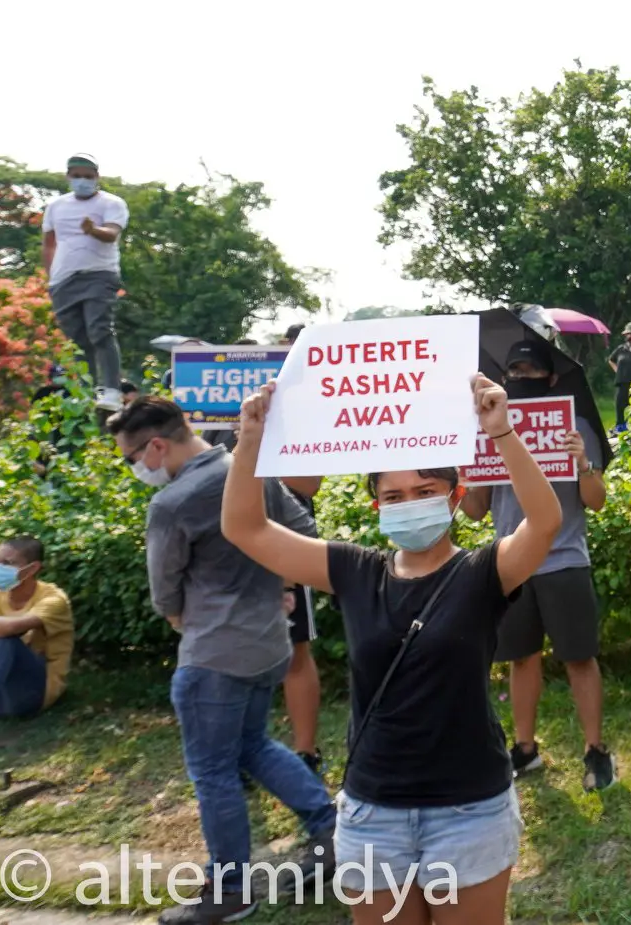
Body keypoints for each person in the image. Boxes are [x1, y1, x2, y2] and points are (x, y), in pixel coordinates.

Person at [221, 374, 561, 924]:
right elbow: (244, 527)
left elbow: (545, 523)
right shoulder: (355, 571)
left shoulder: (482, 572)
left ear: (454, 496)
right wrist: (250, 440)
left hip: (469, 809)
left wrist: (501, 432)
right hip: (372, 810)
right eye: (394, 496)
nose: (410, 505)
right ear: (376, 504)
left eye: (425, 492)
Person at [108, 396, 335, 924]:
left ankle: (230, 889)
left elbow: (164, 593)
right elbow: (304, 537)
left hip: (214, 652)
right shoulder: (250, 470)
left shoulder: (174, 503)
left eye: (131, 458)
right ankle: (329, 828)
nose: (135, 469)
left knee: (213, 770)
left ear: (157, 445)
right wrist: (273, 585)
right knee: (251, 745)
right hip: (269, 643)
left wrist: (186, 616)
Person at [461, 340, 615, 792]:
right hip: (510, 561)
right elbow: (474, 511)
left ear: (551, 379)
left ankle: (595, 750)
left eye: (531, 369)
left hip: (565, 560)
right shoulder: (487, 430)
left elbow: (598, 501)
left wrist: (583, 463)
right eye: (515, 369)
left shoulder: (578, 426)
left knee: (579, 658)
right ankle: (524, 749)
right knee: (520, 658)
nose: (521, 375)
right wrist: (467, 476)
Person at [42, 153, 129, 410]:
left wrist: (93, 230)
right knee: (77, 341)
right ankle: (85, 391)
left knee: (99, 329)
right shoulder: (56, 206)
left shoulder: (111, 203)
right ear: (68, 177)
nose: (82, 181)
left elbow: (112, 234)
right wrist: (51, 278)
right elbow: (48, 244)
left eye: (88, 177)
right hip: (64, 279)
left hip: (99, 274)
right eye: (77, 176)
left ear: (97, 177)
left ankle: (112, 390)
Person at [279, 477, 326, 777]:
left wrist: (249, 457)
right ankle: (236, 752)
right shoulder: (211, 428)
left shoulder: (292, 428)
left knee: (295, 652)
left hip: (287, 549)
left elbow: (309, 484)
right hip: (225, 555)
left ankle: (305, 754)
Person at [0, 536, 74, 718]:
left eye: (8, 563)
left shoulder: (54, 599)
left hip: (34, 692)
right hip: (3, 689)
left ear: (32, 569)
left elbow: (11, 628)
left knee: (5, 642)